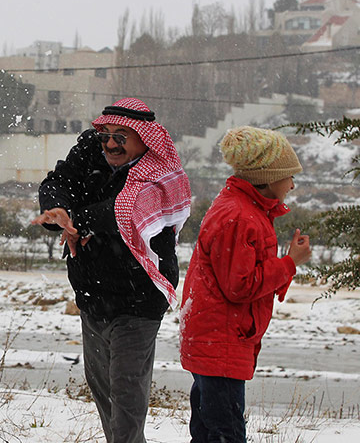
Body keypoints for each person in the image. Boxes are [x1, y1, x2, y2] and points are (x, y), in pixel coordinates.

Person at [31, 98, 192, 443]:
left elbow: (124, 212)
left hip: (139, 298)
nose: (111, 144)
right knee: (101, 386)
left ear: (144, 138)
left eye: (122, 136)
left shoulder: (159, 169)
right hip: (93, 294)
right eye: (106, 133)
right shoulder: (92, 150)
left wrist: (76, 221)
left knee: (126, 393)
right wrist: (57, 208)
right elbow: (58, 181)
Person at [179, 126, 312, 443]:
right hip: (221, 341)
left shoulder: (243, 209)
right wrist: (289, 262)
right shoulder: (240, 216)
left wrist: (284, 265)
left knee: (209, 429)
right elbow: (239, 286)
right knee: (226, 432)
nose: (292, 184)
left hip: (218, 339)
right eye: (288, 176)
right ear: (266, 178)